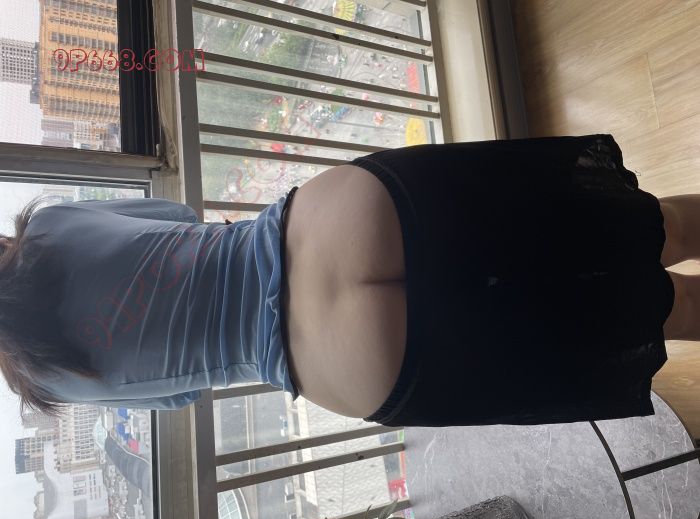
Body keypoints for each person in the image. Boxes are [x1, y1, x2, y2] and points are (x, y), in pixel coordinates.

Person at [0, 134, 692, 427]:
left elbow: (180, 392)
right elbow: (177, 218)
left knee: (636, 314)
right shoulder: (48, 228)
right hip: (334, 225)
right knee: (640, 226)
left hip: (342, 359)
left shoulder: (47, 379)